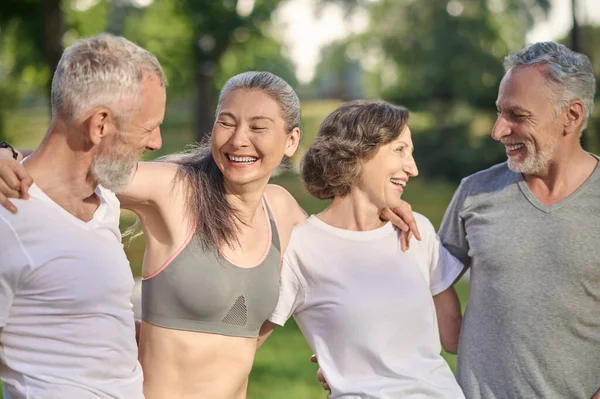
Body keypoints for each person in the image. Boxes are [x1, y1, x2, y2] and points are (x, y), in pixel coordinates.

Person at [0, 72, 420, 398]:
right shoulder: (174, 189)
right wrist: (7, 153)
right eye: (227, 122)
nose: (240, 140)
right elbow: (73, 167)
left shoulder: (283, 212)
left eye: (259, 127)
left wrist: (380, 209)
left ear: (291, 141)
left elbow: (346, 269)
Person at [261, 100, 466, 398]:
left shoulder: (415, 230)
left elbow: (456, 339)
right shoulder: (302, 248)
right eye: (400, 150)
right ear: (357, 153)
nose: (413, 168)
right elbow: (240, 348)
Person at [0, 34, 166, 399]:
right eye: (148, 126)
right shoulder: (8, 219)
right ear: (100, 124)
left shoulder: (105, 200)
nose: (156, 142)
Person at [439, 41, 600, 398]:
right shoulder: (474, 192)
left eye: (517, 115)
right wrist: (357, 365)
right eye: (500, 112)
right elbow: (424, 279)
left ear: (571, 116)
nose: (498, 131)